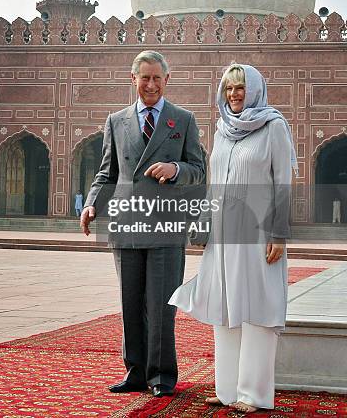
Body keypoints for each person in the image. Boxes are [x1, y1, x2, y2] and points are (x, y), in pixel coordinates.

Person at [169, 63, 297, 414]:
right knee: (225, 309)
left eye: (240, 87)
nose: (234, 94)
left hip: (258, 234)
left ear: (254, 89)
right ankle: (227, 390)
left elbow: (283, 183)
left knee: (257, 309)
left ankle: (254, 394)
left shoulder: (273, 127)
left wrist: (279, 234)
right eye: (228, 88)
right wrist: (204, 222)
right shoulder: (222, 129)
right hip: (224, 235)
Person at [80, 50, 205, 398]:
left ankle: (162, 375)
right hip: (127, 223)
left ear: (167, 81)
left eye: (156, 78)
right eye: (144, 77)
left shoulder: (182, 120)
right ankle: (135, 371)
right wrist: (91, 204)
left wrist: (175, 170)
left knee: (161, 305)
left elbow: (198, 170)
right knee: (130, 301)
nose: (150, 84)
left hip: (166, 225)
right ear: (133, 79)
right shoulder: (116, 121)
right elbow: (108, 173)